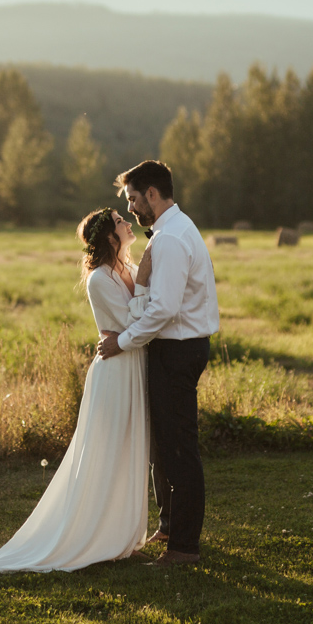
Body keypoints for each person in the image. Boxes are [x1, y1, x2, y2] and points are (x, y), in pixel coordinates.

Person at [0, 208, 152, 574]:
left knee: (132, 450)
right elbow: (136, 321)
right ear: (110, 237)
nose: (128, 223)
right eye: (119, 221)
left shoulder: (127, 269)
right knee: (108, 451)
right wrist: (145, 286)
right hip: (114, 373)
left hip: (133, 367)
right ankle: (99, 538)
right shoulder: (100, 279)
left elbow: (142, 320)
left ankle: (125, 538)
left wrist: (141, 282)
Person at [98, 160, 219, 566]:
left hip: (178, 349)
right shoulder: (173, 231)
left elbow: (164, 309)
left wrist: (124, 342)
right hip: (175, 348)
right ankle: (169, 526)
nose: (131, 208)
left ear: (152, 194)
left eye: (133, 199)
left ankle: (183, 548)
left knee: (179, 449)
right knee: (165, 448)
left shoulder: (169, 240)